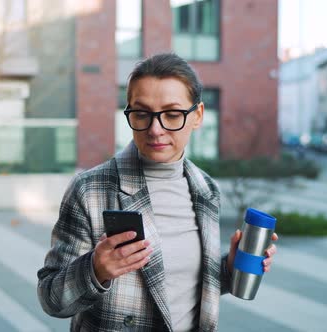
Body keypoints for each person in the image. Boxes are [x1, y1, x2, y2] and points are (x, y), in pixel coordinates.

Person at [37, 53, 278, 331]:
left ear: (197, 116)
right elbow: (50, 299)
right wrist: (96, 270)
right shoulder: (91, 189)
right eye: (141, 113)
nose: (155, 129)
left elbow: (181, 288)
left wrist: (228, 268)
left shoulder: (206, 189)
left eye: (172, 114)